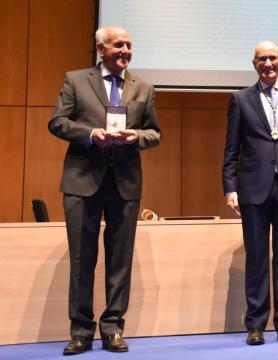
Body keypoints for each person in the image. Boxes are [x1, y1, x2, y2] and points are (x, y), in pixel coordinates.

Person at [49, 26, 161, 355]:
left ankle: (113, 328)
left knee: (120, 260)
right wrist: (89, 134)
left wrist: (136, 138)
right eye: (118, 45)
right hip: (82, 181)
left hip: (124, 182)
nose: (125, 50)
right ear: (101, 49)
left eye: (129, 45)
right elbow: (58, 122)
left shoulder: (144, 87)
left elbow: (155, 132)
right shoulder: (75, 80)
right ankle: (81, 331)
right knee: (82, 260)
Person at [222, 40, 278, 345]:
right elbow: (231, 150)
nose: (268, 64)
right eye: (261, 59)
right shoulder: (240, 99)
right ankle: (256, 325)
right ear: (254, 64)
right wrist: (230, 188)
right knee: (257, 258)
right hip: (253, 190)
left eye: (272, 58)